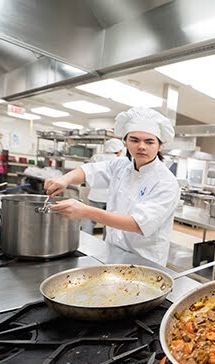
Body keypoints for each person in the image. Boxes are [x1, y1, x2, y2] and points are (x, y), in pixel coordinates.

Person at [44, 107, 180, 266]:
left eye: (149, 141)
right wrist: (64, 179)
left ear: (160, 145)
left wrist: (85, 210)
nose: (141, 146)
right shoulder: (121, 165)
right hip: (114, 252)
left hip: (145, 261)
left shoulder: (166, 182)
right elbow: (90, 171)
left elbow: (137, 224)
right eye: (134, 140)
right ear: (126, 142)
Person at [80, 138, 125, 236]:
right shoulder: (121, 160)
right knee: (109, 222)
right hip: (112, 197)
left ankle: (84, 241)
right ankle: (106, 244)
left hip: (95, 195)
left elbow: (89, 173)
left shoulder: (96, 157)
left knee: (89, 219)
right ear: (119, 150)